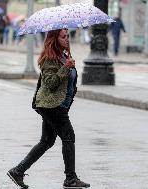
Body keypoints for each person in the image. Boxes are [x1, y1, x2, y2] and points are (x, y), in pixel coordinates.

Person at [7, 29, 90, 189]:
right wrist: (66, 67)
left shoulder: (64, 56)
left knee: (47, 141)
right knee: (68, 136)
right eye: (63, 37)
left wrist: (68, 64)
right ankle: (70, 179)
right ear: (54, 39)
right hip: (51, 105)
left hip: (58, 106)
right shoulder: (49, 59)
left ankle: (18, 171)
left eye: (67, 37)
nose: (67, 39)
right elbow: (51, 83)